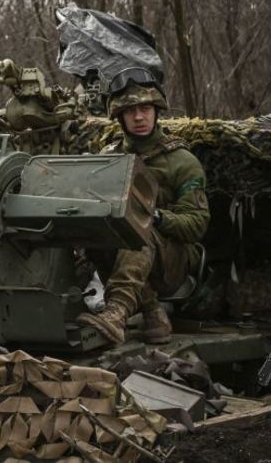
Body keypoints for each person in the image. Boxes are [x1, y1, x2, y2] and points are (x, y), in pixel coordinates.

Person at [77, 68, 210, 347]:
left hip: (173, 262)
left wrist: (156, 217)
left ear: (156, 110)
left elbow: (197, 224)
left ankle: (117, 313)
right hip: (128, 259)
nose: (139, 117)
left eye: (146, 108)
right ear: (120, 117)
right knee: (95, 231)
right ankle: (152, 313)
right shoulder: (110, 159)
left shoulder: (181, 161)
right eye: (130, 111)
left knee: (138, 226)